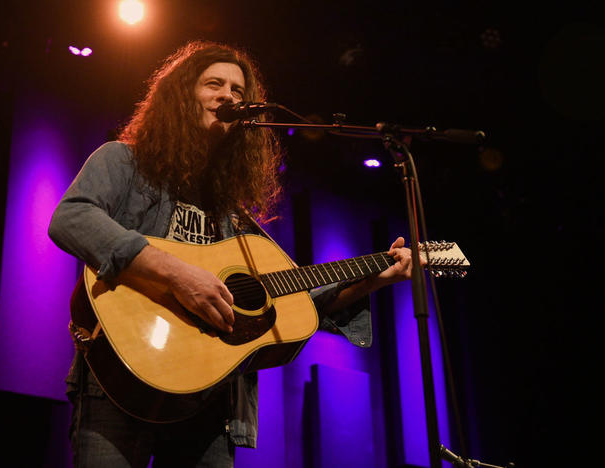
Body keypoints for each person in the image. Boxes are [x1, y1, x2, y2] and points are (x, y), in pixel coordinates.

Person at [49, 40, 421, 468]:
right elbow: (71, 218)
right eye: (214, 84)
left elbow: (299, 300)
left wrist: (378, 277)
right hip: (119, 379)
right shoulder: (124, 161)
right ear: (181, 95)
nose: (228, 96)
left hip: (210, 401)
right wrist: (176, 274)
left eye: (239, 91)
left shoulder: (234, 216)